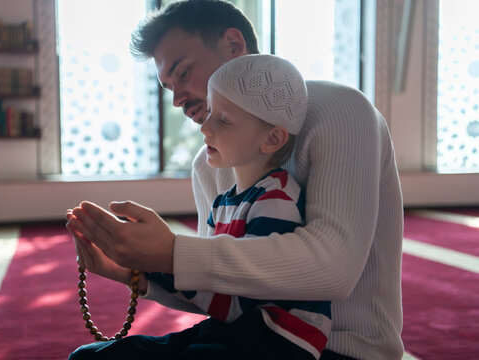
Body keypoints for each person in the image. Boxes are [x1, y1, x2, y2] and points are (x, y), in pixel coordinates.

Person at [66, 1, 404, 359]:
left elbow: (335, 268)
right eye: (169, 87)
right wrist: (137, 271)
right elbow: (227, 290)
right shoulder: (207, 163)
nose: (178, 98)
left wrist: (172, 252)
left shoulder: (340, 110)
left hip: (340, 350)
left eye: (183, 73)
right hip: (235, 337)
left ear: (233, 45)